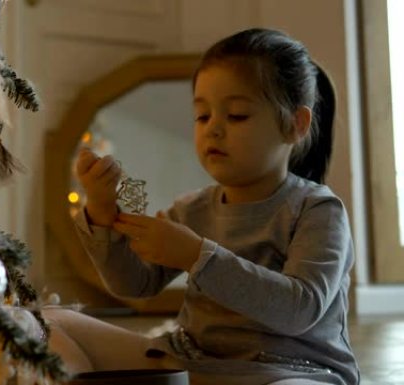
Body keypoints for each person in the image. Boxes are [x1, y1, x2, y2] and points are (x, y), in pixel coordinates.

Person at [43, 28, 359, 385]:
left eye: (237, 115)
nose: (213, 130)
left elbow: (300, 309)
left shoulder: (318, 211)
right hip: (191, 365)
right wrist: (101, 212)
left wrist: (197, 256)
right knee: (47, 323)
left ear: (295, 124)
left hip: (289, 372)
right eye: (202, 116)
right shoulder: (191, 208)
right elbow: (134, 285)